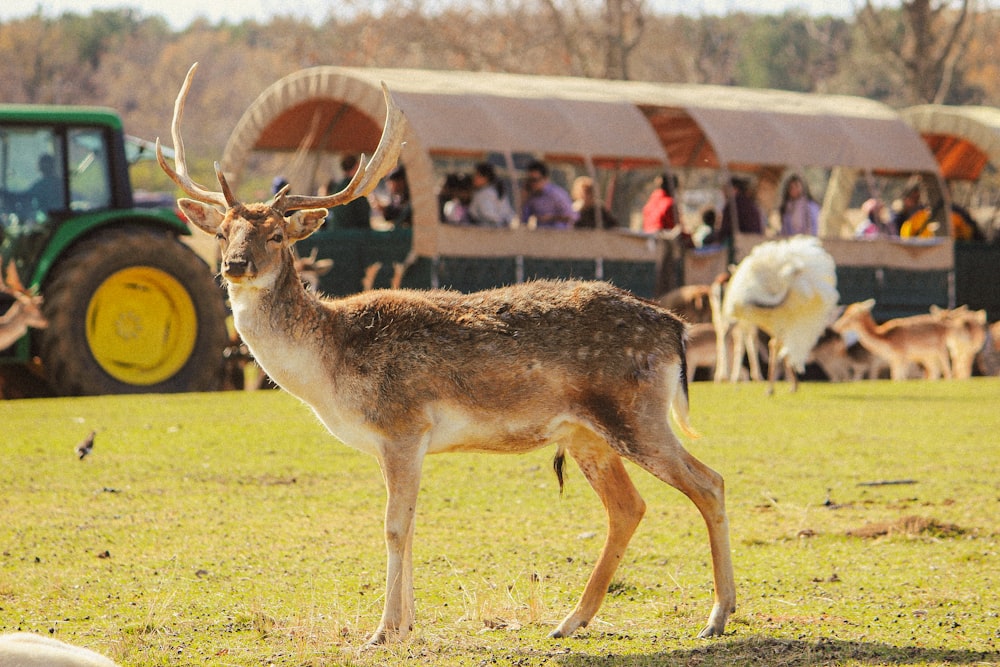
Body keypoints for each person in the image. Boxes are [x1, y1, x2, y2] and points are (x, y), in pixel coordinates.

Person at [520, 159, 577, 229]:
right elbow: (523, 220)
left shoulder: (556, 194)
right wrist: (523, 200)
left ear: (545, 179)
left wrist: (551, 218)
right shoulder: (531, 196)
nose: (532, 184)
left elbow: (573, 216)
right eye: (529, 180)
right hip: (539, 236)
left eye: (535, 180)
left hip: (558, 235)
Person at [326, 156, 371, 229]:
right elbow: (362, 214)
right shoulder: (355, 188)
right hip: (353, 234)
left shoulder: (338, 187)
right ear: (356, 167)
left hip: (337, 232)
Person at [717, 176, 764, 245]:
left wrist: (718, 240)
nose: (723, 193)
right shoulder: (750, 203)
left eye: (725, 189)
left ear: (734, 189)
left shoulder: (734, 205)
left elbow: (726, 228)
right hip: (754, 241)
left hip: (740, 244)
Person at [468, 162, 515, 227]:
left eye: (477, 175)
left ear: (486, 178)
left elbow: (488, 214)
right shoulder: (496, 190)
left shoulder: (483, 194)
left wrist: (499, 222)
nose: (474, 178)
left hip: (488, 230)